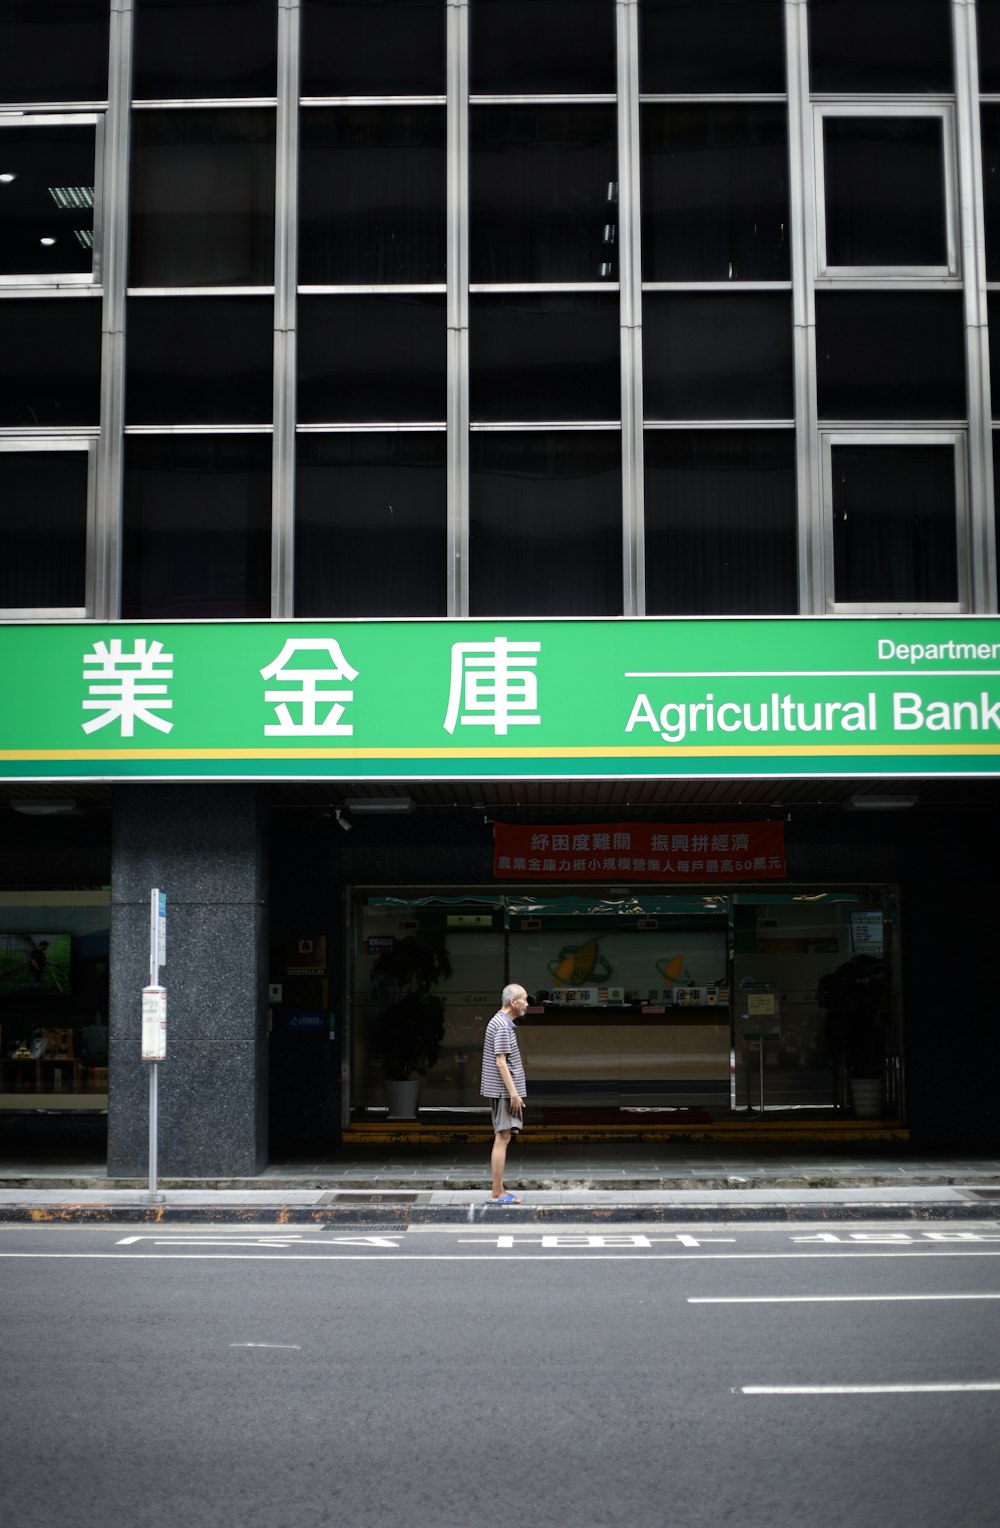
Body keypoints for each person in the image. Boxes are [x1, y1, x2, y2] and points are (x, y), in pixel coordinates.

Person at [480, 982, 529, 1204]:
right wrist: (514, 1094)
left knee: (504, 1136)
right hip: (503, 1091)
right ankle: (497, 1192)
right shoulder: (501, 1025)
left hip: (502, 1090)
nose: (526, 1004)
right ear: (513, 1002)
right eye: (524, 999)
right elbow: (501, 1063)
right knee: (502, 1137)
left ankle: (498, 1189)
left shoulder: (502, 1023)